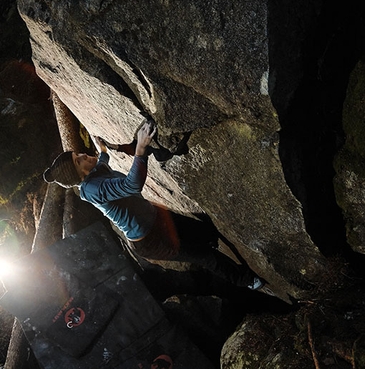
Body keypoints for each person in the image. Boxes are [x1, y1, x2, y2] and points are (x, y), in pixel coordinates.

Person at [43, 121, 265, 291]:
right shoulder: (92, 190)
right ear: (79, 174)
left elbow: (102, 164)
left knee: (205, 231)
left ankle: (207, 248)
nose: (82, 155)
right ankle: (246, 281)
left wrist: (103, 151)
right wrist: (140, 150)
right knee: (205, 256)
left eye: (77, 154)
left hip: (155, 217)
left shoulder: (92, 174)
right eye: (78, 160)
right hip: (150, 240)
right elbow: (132, 184)